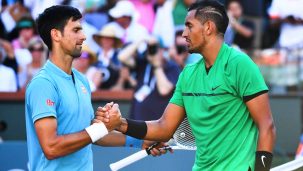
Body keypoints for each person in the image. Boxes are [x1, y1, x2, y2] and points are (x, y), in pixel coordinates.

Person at [98, 1, 276, 171]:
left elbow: (266, 126)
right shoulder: (188, 74)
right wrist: (119, 124)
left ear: (208, 28)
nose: (184, 34)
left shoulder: (240, 64)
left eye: (189, 26)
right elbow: (164, 128)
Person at [25, 5, 164, 171]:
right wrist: (103, 127)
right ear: (56, 35)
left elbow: (95, 136)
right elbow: (51, 147)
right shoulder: (43, 84)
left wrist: (140, 142)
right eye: (76, 30)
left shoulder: (82, 80)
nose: (83, 36)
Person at [118, 36, 181, 120]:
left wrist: (156, 65)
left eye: (155, 49)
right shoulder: (144, 63)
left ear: (162, 50)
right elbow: (122, 57)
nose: (152, 52)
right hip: (136, 122)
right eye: (149, 49)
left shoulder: (171, 66)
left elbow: (164, 90)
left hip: (157, 125)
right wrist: (141, 40)